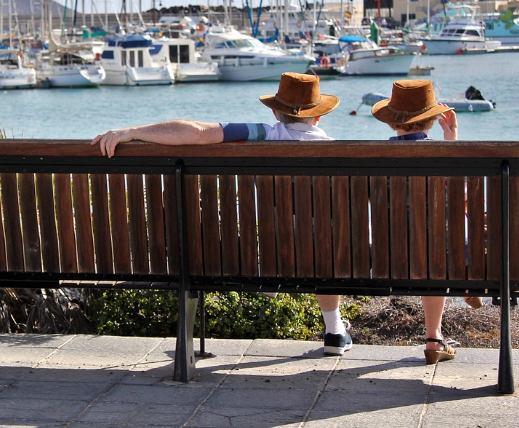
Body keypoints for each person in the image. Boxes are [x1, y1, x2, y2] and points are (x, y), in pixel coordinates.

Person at [92, 72, 354, 356]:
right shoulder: (337, 150)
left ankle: (273, 270)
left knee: (287, 229)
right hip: (324, 257)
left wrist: (131, 131)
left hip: (268, 251)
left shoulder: (263, 135)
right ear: (318, 117)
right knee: (324, 237)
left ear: (277, 113)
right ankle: (335, 331)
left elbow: (196, 133)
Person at [371, 79, 481, 364]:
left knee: (427, 242)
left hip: (386, 254)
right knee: (444, 246)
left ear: (391, 122)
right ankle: (436, 333)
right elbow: (464, 200)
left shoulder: (374, 158)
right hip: (439, 257)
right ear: (433, 120)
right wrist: (452, 141)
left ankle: (459, 286)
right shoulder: (442, 156)